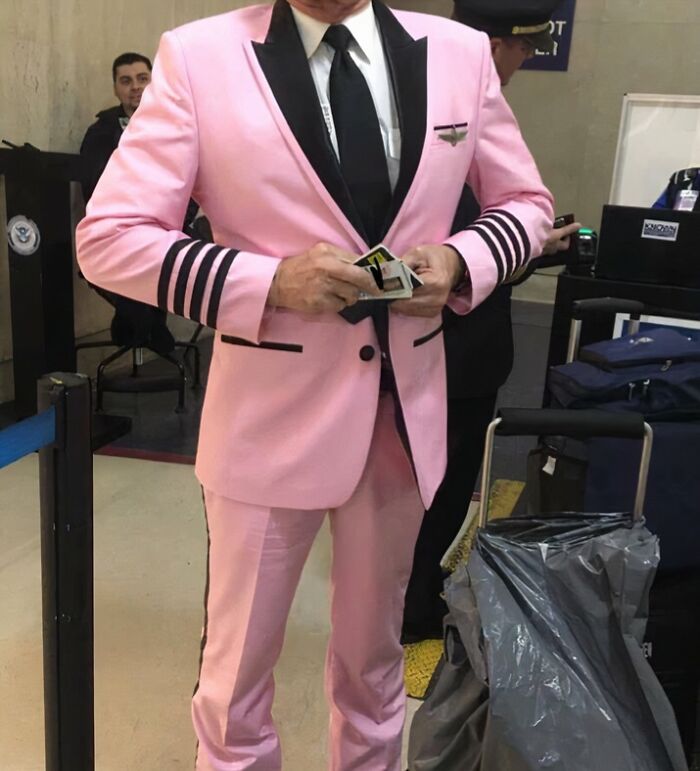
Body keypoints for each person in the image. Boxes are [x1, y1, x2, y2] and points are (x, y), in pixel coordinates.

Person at [76, 0, 553, 767]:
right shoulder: (199, 57)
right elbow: (108, 239)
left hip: (404, 415)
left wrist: (464, 259)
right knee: (234, 684)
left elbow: (526, 204)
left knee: (376, 667)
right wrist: (264, 281)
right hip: (266, 420)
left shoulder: (459, 54)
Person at [403, 0, 581, 643]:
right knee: (438, 486)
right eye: (522, 50)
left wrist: (527, 246)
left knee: (435, 484)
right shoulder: (445, 126)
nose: (523, 63)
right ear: (494, 45)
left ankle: (411, 595)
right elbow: (444, 254)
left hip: (456, 343)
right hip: (451, 346)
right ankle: (414, 607)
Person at [80, 52, 199, 356]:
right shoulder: (101, 133)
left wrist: (174, 221)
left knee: (173, 255)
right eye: (126, 80)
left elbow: (194, 183)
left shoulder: (176, 127)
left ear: (154, 82)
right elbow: (96, 188)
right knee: (134, 258)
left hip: (170, 228)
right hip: (121, 230)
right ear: (116, 89)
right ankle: (148, 324)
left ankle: (136, 320)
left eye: (142, 78)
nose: (135, 87)